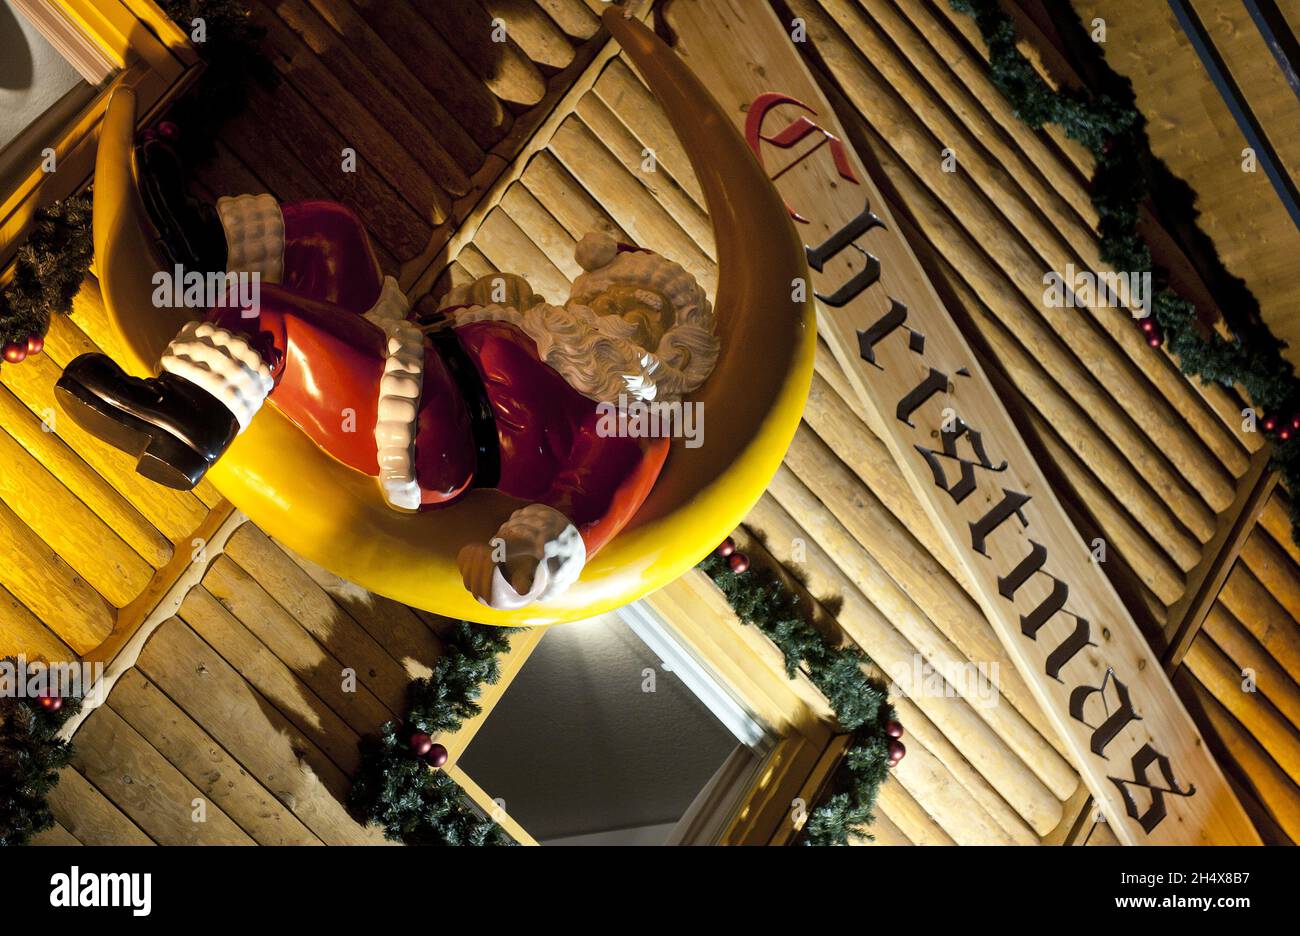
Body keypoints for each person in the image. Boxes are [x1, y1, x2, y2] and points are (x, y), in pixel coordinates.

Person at [57, 145, 719, 609]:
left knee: (275, 320)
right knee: (332, 233)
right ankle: (198, 248)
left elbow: (589, 499)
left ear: (663, 355)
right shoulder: (541, 335)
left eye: (634, 314)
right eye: (606, 296)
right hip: (408, 344)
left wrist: (529, 561)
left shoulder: (623, 415)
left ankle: (183, 422)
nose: (606, 315)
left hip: (433, 426)